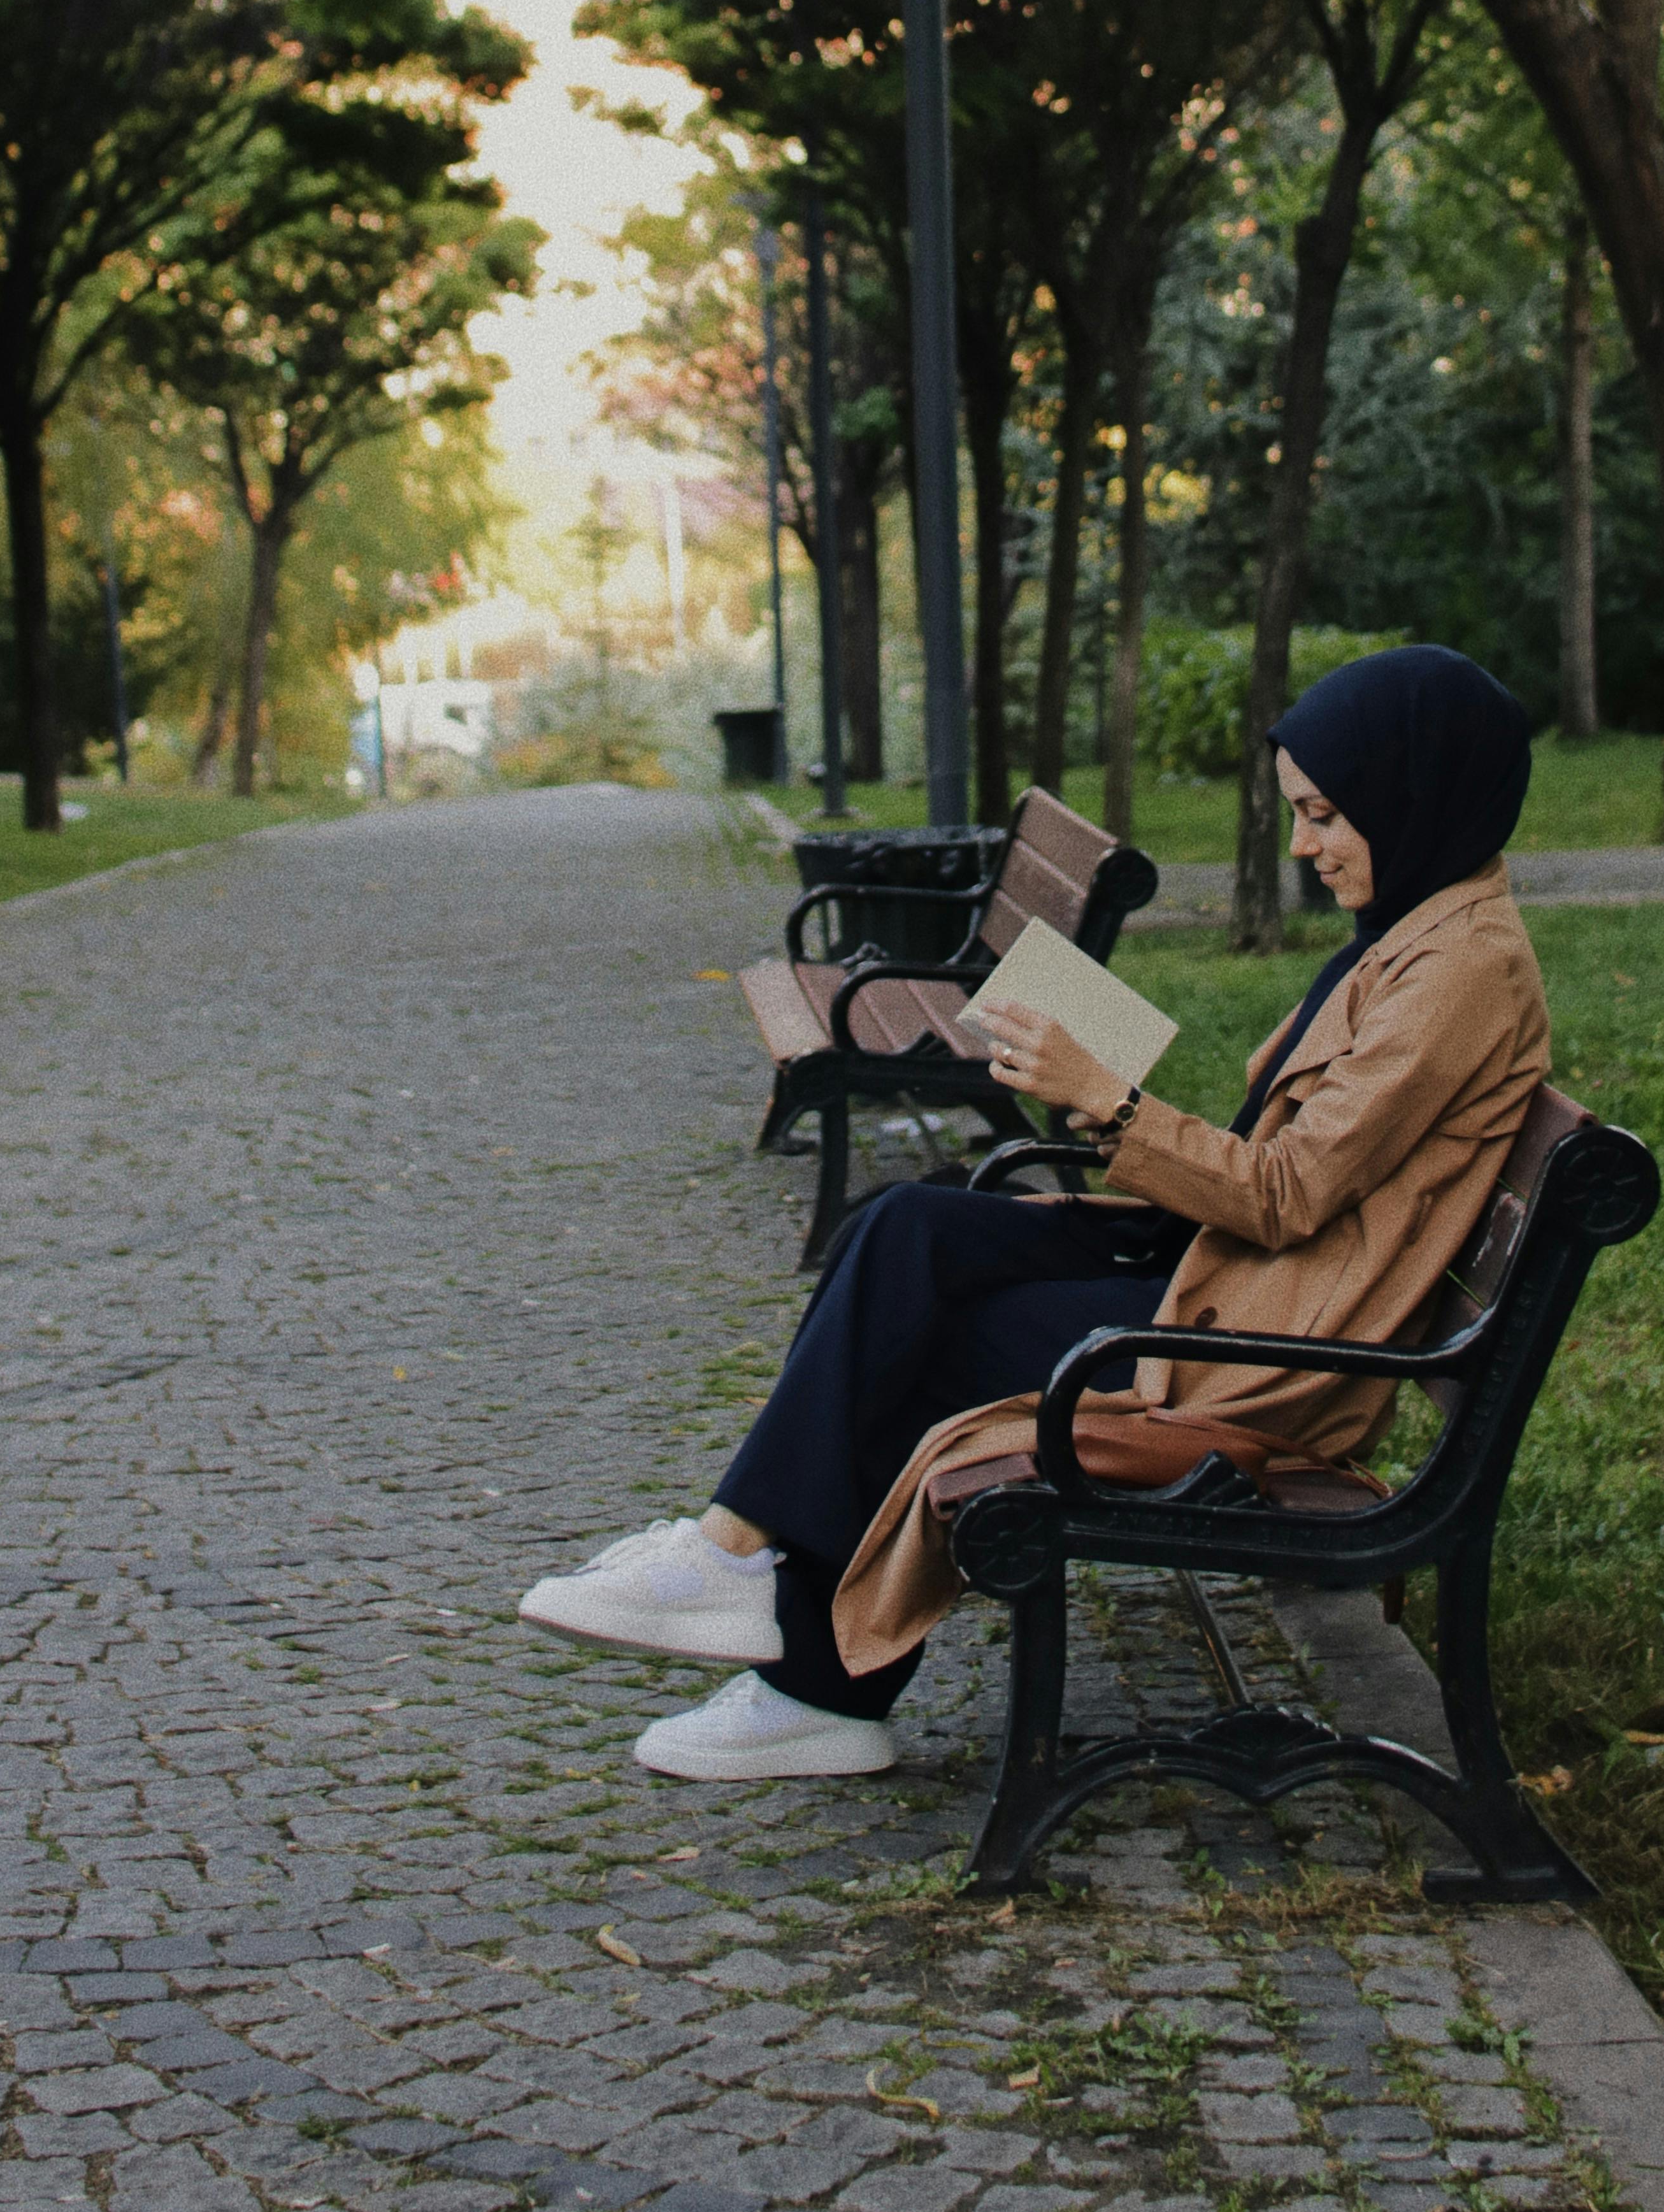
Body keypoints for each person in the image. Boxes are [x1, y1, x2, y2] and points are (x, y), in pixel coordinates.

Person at [517, 644, 1552, 1781]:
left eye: (1322, 815)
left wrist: (1104, 1096)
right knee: (898, 1227)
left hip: (1257, 1349)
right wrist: (1099, 1082)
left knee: (932, 1341)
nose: (1304, 846)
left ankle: (809, 1676)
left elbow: (1290, 1190)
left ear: (1415, 797)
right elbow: (1302, 1172)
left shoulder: (1462, 969)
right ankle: (740, 1573)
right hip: (1221, 1273)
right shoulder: (1419, 930)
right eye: (1300, 814)